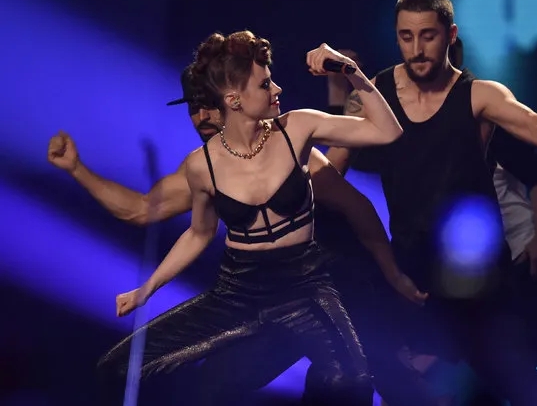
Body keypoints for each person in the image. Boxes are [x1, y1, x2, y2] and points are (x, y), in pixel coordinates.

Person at [48, 66, 431, 405]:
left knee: (366, 380)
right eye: (192, 108)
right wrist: (77, 169)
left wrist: (391, 274)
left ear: (229, 100)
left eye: (206, 104)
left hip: (329, 289)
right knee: (210, 388)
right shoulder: (203, 168)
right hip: (250, 295)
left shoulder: (292, 147)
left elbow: (358, 208)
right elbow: (142, 209)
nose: (200, 116)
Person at [324, 0, 537, 406]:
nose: (417, 49)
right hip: (411, 277)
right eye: (406, 36)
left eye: (428, 35)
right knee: (378, 380)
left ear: (450, 34)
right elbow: (330, 173)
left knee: (509, 388)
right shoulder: (374, 96)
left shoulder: (479, 94)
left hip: (479, 279)